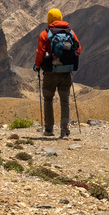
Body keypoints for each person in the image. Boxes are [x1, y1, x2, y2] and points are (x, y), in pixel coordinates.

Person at [34, 8, 81, 138]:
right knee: (64, 100)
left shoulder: (45, 34)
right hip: (66, 73)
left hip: (50, 73)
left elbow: (40, 53)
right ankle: (65, 131)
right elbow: (78, 50)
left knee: (48, 99)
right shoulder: (70, 33)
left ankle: (49, 129)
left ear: (49, 19)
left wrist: (37, 65)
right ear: (60, 18)